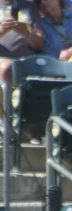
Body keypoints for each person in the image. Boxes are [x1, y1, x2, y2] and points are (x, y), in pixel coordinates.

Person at [0, 0, 43, 140]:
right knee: (7, 67)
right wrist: (2, 31)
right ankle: (4, 125)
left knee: (57, 75)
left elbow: (39, 44)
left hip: (27, 61)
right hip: (2, 60)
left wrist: (27, 34)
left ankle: (37, 128)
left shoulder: (29, 7)